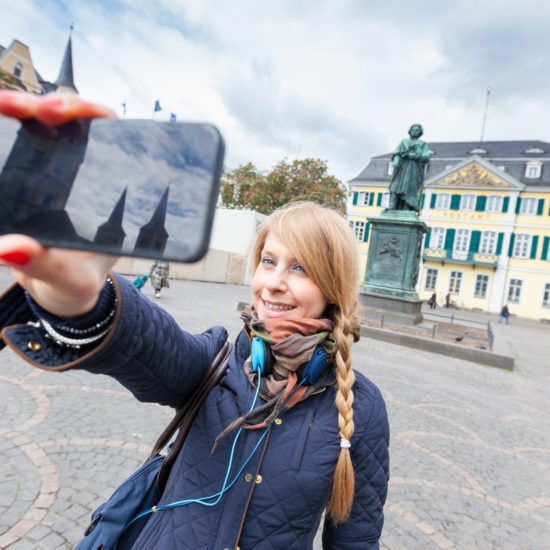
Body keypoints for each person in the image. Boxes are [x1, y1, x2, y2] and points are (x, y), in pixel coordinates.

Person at [0, 92, 389, 548]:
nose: (274, 283)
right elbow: (149, 345)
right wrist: (86, 298)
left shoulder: (362, 408)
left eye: (299, 268)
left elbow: (356, 541)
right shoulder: (217, 362)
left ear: (333, 288)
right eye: (268, 261)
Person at [387, 123, 430, 213]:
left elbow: (426, 157)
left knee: (409, 188)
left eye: (417, 130)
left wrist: (413, 156)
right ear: (409, 131)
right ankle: (392, 206)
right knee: (395, 185)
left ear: (420, 133)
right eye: (413, 129)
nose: (414, 131)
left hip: (414, 170)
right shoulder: (404, 142)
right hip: (401, 167)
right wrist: (395, 161)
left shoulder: (422, 144)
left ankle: (407, 208)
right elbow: (397, 153)